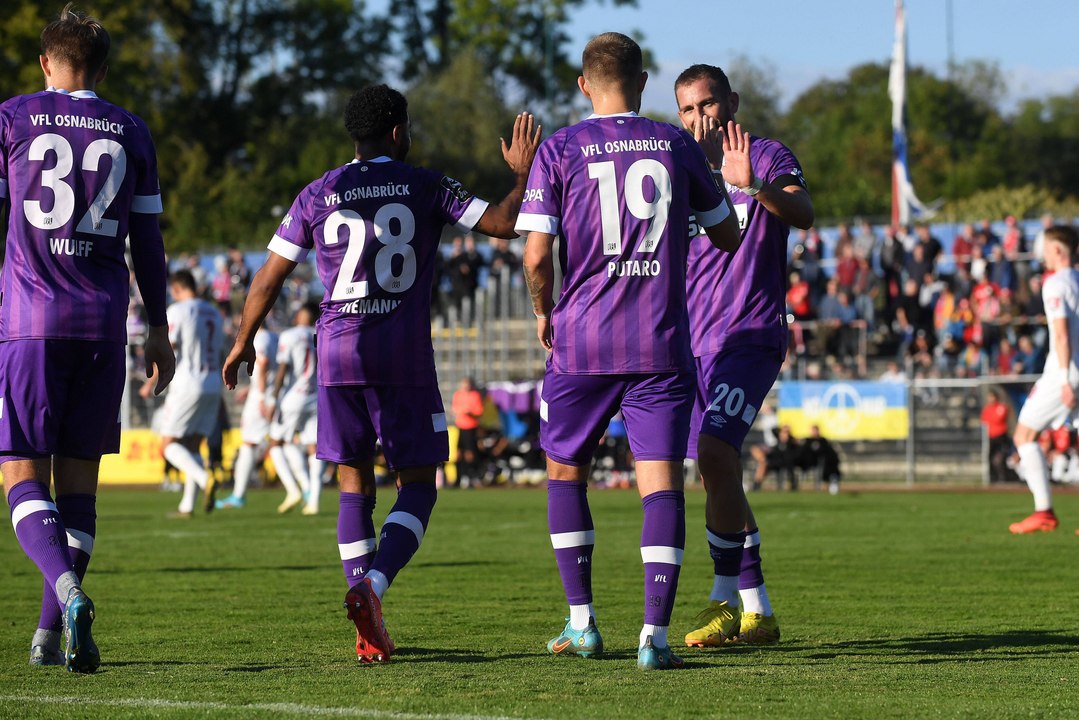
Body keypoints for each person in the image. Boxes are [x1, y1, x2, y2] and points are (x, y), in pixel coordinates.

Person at [222, 83, 539, 663]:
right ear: (398, 131)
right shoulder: (425, 184)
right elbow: (500, 224)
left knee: (353, 484)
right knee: (418, 484)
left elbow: (267, 276)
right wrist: (520, 177)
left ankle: (367, 625)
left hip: (338, 355)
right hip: (401, 355)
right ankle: (373, 588)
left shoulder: (319, 192)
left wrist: (244, 339)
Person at [519, 33, 740, 671]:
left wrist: (543, 309)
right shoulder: (674, 144)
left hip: (580, 343)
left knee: (566, 474)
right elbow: (725, 234)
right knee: (661, 487)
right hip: (661, 343)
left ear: (584, 84)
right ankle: (655, 639)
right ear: (642, 83)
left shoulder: (560, 148)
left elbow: (536, 255)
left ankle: (582, 623)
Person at [0, 4, 174, 672]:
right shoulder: (131, 129)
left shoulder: (14, 116)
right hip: (103, 325)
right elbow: (149, 242)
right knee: (79, 488)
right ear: (102, 67)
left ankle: (67, 592)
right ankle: (49, 635)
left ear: (46, 62)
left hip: (30, 322)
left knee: (21, 473)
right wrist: (156, 328)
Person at [673, 63, 813, 649]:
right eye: (686, 110)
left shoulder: (768, 154)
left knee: (715, 455)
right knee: (718, 471)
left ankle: (724, 599)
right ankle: (760, 610)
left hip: (750, 334)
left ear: (730, 102)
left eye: (707, 105)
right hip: (692, 342)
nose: (699, 119)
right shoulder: (675, 168)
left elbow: (803, 214)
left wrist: (754, 184)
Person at [1008, 225, 1079, 533]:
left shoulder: (1055, 284)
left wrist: (1064, 379)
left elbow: (1061, 335)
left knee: (1024, 436)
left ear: (1058, 251)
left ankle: (1044, 511)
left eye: (1047, 248)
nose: (1043, 255)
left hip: (1065, 372)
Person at [161, 270, 226, 518]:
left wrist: (152, 379)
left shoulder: (178, 310)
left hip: (188, 381)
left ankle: (204, 477)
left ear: (176, 288)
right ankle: (187, 506)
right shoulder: (214, 313)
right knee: (193, 446)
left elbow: (170, 345)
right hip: (212, 381)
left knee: (168, 445)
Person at [265, 303, 319, 515]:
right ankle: (313, 499)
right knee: (313, 448)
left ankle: (294, 489)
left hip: (293, 396)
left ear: (300, 316)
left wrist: (272, 399)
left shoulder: (289, 335)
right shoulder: (321, 333)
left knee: (275, 443)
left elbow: (282, 370)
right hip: (316, 395)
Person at [216, 327, 277, 509]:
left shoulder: (261, 338)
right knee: (275, 441)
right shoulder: (274, 336)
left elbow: (263, 362)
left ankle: (238, 495)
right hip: (268, 393)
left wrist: (259, 395)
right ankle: (306, 490)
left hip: (261, 397)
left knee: (251, 442)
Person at [451, 376, 484, 488]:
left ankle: (471, 477)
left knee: (470, 453)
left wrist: (469, 413)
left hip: (470, 427)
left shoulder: (475, 395)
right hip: (460, 426)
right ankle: (458, 479)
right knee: (458, 453)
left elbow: (478, 412)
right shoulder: (458, 395)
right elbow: (455, 409)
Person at [981, 388, 1013, 484]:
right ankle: (993, 478)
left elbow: (999, 418)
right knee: (990, 457)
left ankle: (1004, 477)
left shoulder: (1001, 407)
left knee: (1001, 457)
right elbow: (984, 421)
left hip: (1001, 437)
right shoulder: (987, 409)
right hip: (991, 437)